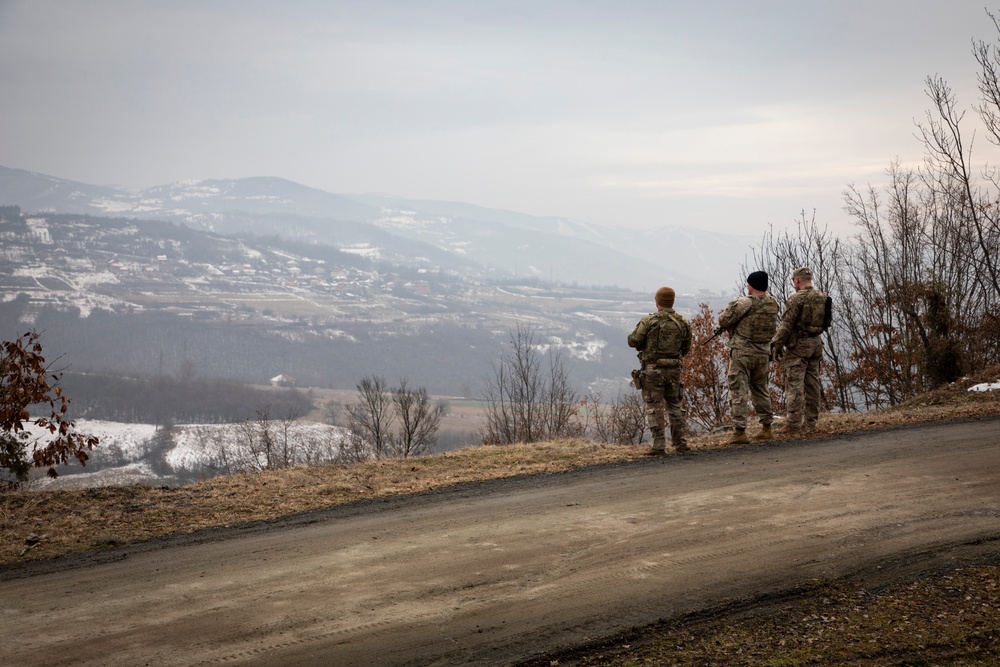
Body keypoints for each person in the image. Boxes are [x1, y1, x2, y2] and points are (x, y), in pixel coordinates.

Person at [628, 286, 692, 454]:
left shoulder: (649, 321)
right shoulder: (683, 322)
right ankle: (680, 444)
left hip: (653, 371)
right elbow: (686, 348)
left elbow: (633, 340)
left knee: (654, 406)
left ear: (657, 302)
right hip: (674, 370)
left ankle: (658, 445)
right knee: (675, 406)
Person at [718, 271, 779, 444]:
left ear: (751, 285)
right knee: (760, 388)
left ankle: (739, 432)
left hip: (743, 352)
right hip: (763, 353)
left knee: (739, 390)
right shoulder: (773, 303)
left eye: (748, 284)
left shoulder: (744, 303)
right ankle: (767, 427)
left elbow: (723, 320)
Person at [771, 266, 828, 433]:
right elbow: (826, 321)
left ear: (797, 280)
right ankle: (810, 423)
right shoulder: (822, 297)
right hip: (816, 344)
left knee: (794, 384)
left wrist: (778, 344)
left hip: (798, 346)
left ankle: (793, 423)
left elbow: (786, 325)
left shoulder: (796, 299)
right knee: (813, 383)